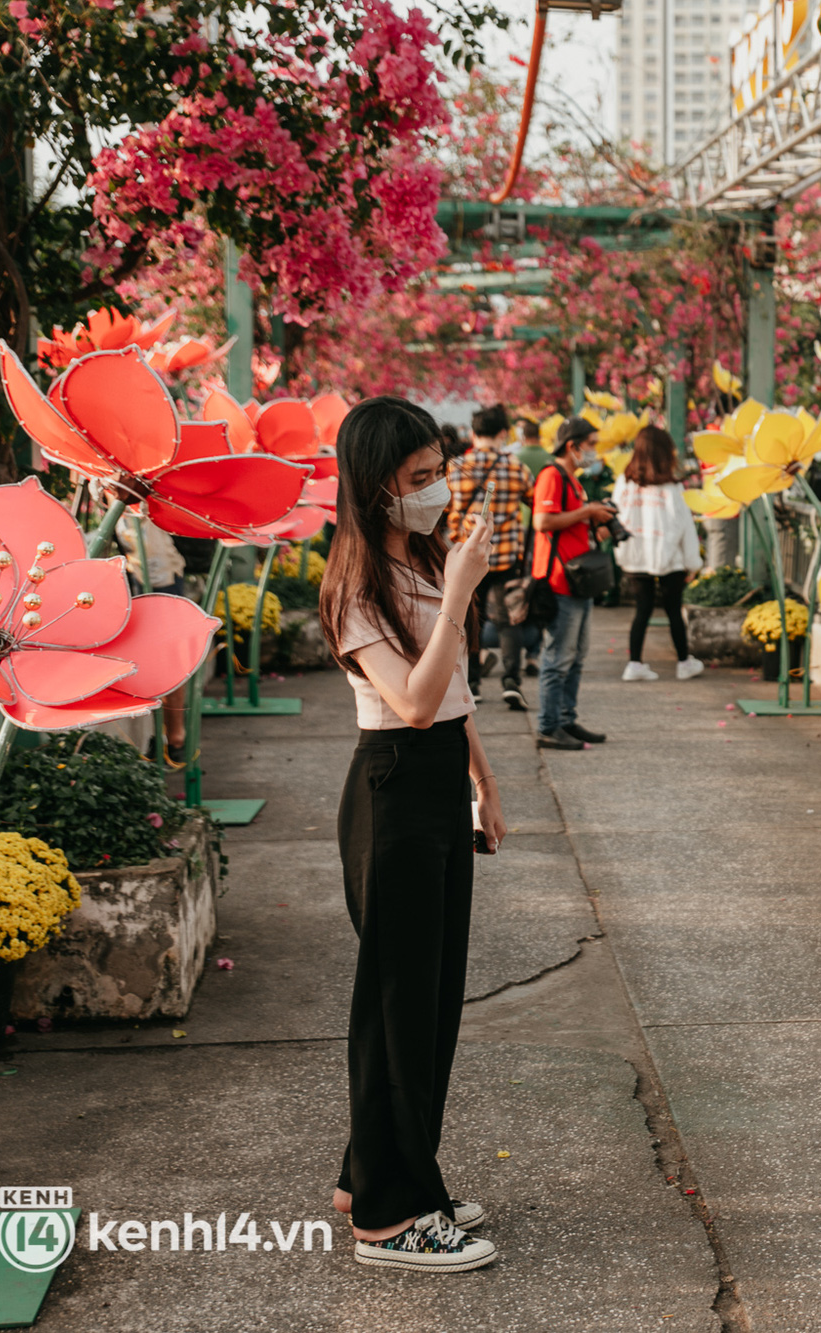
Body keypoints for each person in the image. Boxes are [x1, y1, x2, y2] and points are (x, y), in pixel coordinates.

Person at [316, 396, 506, 1274]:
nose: (438, 493)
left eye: (439, 474)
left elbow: (456, 699)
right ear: (374, 488)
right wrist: (464, 590)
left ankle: (379, 1173)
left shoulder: (423, 561)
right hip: (390, 788)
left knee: (428, 999)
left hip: (437, 787)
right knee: (395, 1003)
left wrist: (484, 780)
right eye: (420, 481)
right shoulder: (357, 589)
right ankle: (389, 1220)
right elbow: (415, 699)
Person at [530, 417, 614, 750]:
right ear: (572, 445)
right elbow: (543, 521)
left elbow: (569, 525)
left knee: (576, 657)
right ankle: (549, 726)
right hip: (560, 580)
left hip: (579, 581)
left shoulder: (572, 480)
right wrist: (587, 512)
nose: (594, 451)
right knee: (558, 658)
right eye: (591, 443)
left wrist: (595, 523)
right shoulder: (552, 476)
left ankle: (567, 719)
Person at [446, 404, 532, 710]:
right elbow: (533, 500)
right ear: (503, 434)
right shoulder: (517, 468)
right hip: (505, 556)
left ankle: (473, 684)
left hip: (467, 557)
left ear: (473, 433)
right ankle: (511, 682)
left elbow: (444, 508)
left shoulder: (455, 466)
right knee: (509, 620)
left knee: (470, 621)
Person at [612, 425, 704, 682]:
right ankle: (684, 662)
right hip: (668, 556)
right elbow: (685, 526)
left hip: (635, 555)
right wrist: (692, 562)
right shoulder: (672, 487)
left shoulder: (625, 483)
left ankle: (634, 663)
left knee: (642, 610)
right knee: (674, 610)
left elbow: (615, 518)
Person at [117, 515, 192, 761]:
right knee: (156, 657)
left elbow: (151, 550)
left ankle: (175, 734)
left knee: (168, 656)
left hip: (159, 578)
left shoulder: (138, 503)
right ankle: (169, 736)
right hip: (144, 576)